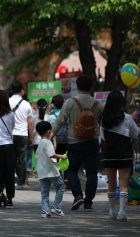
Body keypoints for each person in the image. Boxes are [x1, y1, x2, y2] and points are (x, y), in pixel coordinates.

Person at [52, 75, 104, 211]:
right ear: (92, 87)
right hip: (93, 143)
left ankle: (78, 195)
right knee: (92, 173)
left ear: (77, 87)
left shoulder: (70, 102)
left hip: (75, 142)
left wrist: (50, 136)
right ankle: (88, 203)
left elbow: (59, 121)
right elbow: (104, 124)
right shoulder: (98, 104)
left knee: (71, 170)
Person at [100, 91, 139, 222]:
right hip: (124, 154)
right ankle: (122, 212)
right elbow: (135, 134)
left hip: (110, 154)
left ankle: (112, 211)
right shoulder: (127, 118)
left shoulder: (103, 119)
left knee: (111, 185)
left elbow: (103, 137)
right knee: (123, 184)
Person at [35, 121, 67, 218]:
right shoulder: (48, 142)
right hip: (51, 171)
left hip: (42, 171)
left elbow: (38, 157)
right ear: (49, 131)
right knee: (61, 186)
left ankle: (45, 211)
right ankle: (57, 207)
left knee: (44, 191)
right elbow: (51, 155)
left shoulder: (40, 144)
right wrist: (62, 156)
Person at [8, 80, 34, 189]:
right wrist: (31, 137)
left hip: (10, 134)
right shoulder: (26, 104)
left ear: (12, 90)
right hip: (23, 134)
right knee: (22, 159)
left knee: (10, 158)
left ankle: (9, 180)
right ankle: (21, 182)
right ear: (22, 90)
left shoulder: (7, 101)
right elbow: (30, 122)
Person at [26, 98, 48, 185]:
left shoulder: (34, 118)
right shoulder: (48, 118)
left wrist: (31, 138)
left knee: (38, 160)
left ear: (37, 107)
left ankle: (39, 178)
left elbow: (33, 130)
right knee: (45, 161)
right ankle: (43, 180)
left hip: (36, 142)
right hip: (46, 142)